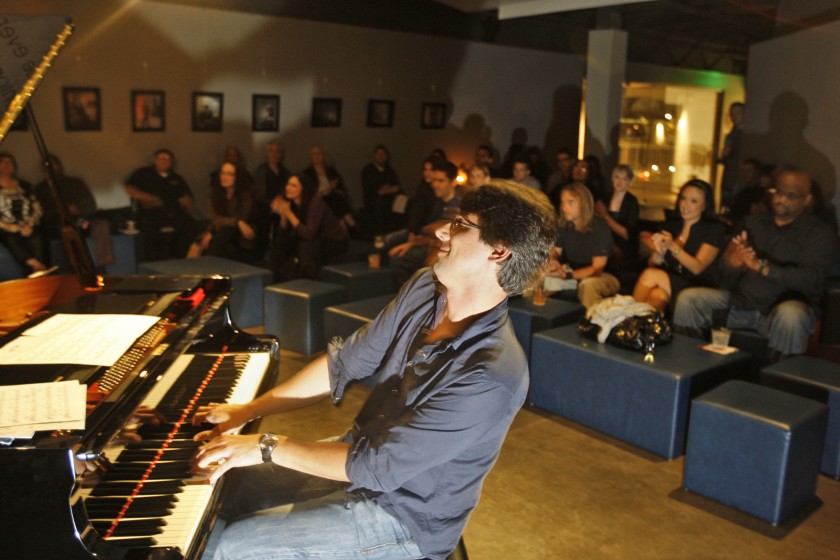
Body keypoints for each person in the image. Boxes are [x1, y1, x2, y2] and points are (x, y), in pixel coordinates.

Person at [192, 180, 558, 560]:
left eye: (462, 225)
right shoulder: (423, 287)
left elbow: (377, 468)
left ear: (499, 252)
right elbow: (346, 362)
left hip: (404, 518)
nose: (441, 231)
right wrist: (248, 411)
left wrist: (268, 445)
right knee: (219, 489)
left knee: (225, 548)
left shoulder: (492, 377)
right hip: (357, 454)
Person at [673, 170, 840, 360]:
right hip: (741, 302)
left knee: (791, 315)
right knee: (690, 299)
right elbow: (723, 273)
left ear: (808, 199)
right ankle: (686, 366)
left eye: (791, 195)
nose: (781, 199)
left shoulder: (820, 233)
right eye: (778, 192)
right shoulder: (753, 223)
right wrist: (731, 263)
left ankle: (779, 383)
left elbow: (812, 279)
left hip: (781, 309)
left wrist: (763, 268)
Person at [632, 179, 725, 315]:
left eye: (694, 201)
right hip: (670, 281)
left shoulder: (713, 230)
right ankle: (648, 327)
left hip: (696, 284)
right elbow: (653, 262)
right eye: (683, 198)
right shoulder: (672, 226)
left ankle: (627, 318)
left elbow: (697, 268)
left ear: (705, 206)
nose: (686, 205)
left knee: (650, 275)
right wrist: (658, 255)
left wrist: (672, 245)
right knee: (657, 295)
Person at [388, 159, 461, 286]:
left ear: (453, 182)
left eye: (440, 181)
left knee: (399, 258)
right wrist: (413, 243)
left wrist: (417, 240)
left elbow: (443, 235)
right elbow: (429, 230)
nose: (435, 185)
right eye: (434, 180)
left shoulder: (459, 205)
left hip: (443, 250)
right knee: (394, 249)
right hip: (430, 243)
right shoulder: (438, 202)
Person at [546, 182, 619, 309]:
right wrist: (553, 261)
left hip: (605, 276)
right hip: (572, 273)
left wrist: (568, 275)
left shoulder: (599, 227)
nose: (564, 207)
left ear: (584, 204)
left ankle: (590, 326)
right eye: (563, 202)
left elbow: (597, 269)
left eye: (570, 202)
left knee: (588, 285)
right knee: (536, 278)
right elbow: (555, 251)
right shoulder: (564, 225)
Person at [269, 173, 349, 280]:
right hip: (313, 239)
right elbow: (284, 232)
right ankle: (275, 280)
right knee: (280, 244)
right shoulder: (291, 203)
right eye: (288, 184)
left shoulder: (315, 203)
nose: (288, 188)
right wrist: (283, 215)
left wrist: (288, 213)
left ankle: (307, 282)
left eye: (294, 185)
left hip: (334, 241)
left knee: (305, 247)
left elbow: (309, 234)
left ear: (303, 189)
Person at [124, 148, 200, 260]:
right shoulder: (143, 174)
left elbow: (188, 198)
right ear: (155, 160)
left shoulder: (176, 178)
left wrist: (186, 204)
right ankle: (154, 261)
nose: (164, 161)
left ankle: (182, 259)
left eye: (167, 159)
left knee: (190, 225)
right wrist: (148, 198)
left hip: (173, 211)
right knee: (151, 230)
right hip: (151, 211)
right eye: (161, 158)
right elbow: (129, 188)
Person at [194, 162, 262, 263]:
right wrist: (236, 222)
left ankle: (206, 265)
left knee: (225, 232)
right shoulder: (214, 192)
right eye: (223, 173)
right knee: (222, 242)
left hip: (241, 235)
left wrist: (214, 231)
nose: (225, 177)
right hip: (221, 233)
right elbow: (214, 218)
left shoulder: (245, 195)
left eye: (230, 174)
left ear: (237, 177)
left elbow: (243, 218)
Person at [0, 152, 47, 275]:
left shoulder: (25, 185)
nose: (7, 165)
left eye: (10, 162)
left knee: (36, 237)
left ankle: (39, 270)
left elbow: (37, 208)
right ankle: (34, 265)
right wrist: (9, 226)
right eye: (3, 162)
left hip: (27, 224)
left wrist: (30, 223)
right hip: (6, 227)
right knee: (11, 238)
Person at [33, 154, 97, 238]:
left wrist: (78, 210)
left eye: (54, 164)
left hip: (81, 219)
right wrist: (59, 211)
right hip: (56, 225)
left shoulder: (75, 183)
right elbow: (40, 213)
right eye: (47, 165)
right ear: (43, 169)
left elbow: (90, 204)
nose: (51, 168)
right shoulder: (40, 189)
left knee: (101, 225)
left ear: (59, 165)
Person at [300, 145, 357, 232]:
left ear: (323, 156)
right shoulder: (306, 174)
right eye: (313, 154)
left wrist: (336, 190)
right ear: (310, 157)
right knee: (334, 199)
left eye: (318, 153)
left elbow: (342, 189)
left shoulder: (332, 172)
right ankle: (351, 225)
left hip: (334, 200)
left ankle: (344, 226)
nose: (316, 156)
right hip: (317, 202)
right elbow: (310, 195)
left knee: (336, 198)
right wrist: (329, 188)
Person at [596, 164, 640, 273]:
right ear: (612, 178)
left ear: (629, 182)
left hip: (624, 249)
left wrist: (605, 215)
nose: (619, 182)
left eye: (624, 179)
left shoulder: (632, 202)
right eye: (617, 177)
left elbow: (626, 234)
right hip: (604, 244)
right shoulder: (605, 198)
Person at [360, 145, 402, 236]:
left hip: (390, 198)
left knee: (404, 201)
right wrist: (385, 190)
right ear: (374, 156)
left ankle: (398, 234)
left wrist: (386, 190)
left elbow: (396, 187)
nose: (381, 157)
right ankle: (381, 235)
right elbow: (373, 191)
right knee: (380, 205)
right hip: (374, 200)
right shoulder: (368, 170)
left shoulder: (389, 170)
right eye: (378, 154)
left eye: (383, 154)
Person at [718, 101, 745, 211]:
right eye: (732, 113)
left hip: (739, 178)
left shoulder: (747, 136)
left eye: (738, 113)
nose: (734, 116)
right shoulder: (731, 135)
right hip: (729, 177)